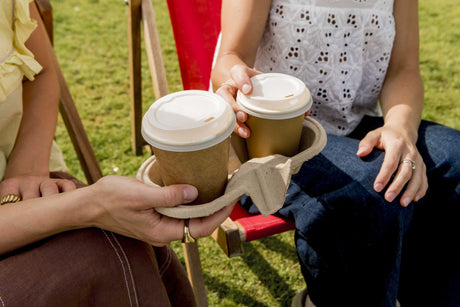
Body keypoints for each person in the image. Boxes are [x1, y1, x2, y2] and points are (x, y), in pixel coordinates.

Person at [211, 0, 460, 306]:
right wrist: (234, 82)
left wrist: (400, 128)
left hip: (352, 125)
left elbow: (403, 69)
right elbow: (230, 58)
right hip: (270, 141)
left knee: (454, 160)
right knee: (370, 187)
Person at [0, 1, 234, 305]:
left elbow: (42, 71)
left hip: (24, 184)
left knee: (121, 249)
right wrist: (90, 206)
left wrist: (27, 168)